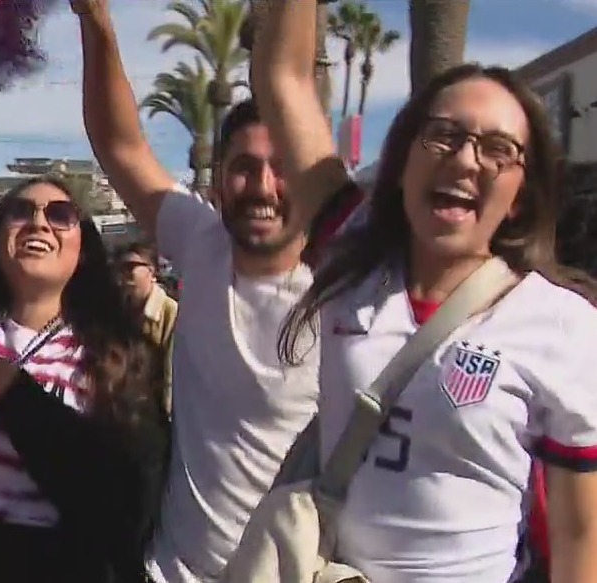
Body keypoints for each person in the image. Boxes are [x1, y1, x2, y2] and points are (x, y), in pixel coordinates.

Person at [255, 1, 597, 581]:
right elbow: (282, 79)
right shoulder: (354, 248)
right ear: (405, 156)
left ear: (518, 193)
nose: (465, 160)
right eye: (443, 135)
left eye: (497, 150)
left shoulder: (564, 323)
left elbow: (579, 539)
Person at [72, 0, 360, 580]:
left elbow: (292, 77)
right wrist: (96, 21)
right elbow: (120, 145)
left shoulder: (354, 288)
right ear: (218, 177)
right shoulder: (203, 243)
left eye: (281, 166)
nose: (263, 186)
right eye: (244, 167)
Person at [0, 2, 170, 581]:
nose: (39, 221)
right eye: (20, 211)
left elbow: (125, 504)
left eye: (61, 214)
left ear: (84, 248)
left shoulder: (116, 352)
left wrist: (17, 400)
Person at [115, 241, 177, 413]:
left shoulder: (170, 312)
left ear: (151, 271)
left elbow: (172, 373)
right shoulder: (120, 310)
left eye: (131, 267)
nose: (125, 275)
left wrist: (168, 413)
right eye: (121, 268)